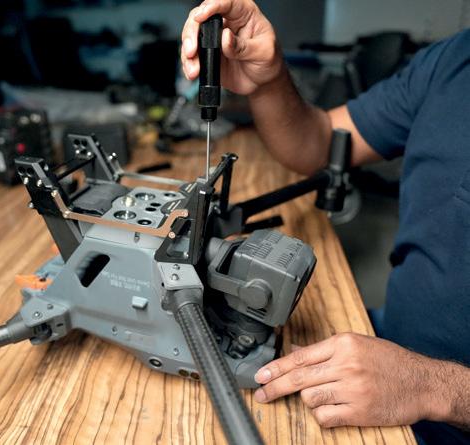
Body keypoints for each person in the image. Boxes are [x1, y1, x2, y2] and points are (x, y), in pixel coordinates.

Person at [181, 1, 470, 443]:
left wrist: (434, 387)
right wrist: (267, 80)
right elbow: (317, 143)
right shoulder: (451, 61)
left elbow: (426, 385)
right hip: (382, 345)